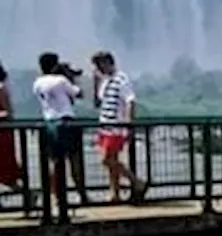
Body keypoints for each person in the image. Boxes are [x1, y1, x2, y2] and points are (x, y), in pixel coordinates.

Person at [33, 52, 90, 207]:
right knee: (75, 161)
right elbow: (79, 94)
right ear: (54, 64)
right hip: (66, 122)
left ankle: (56, 197)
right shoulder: (61, 80)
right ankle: (82, 195)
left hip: (49, 122)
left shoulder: (37, 83)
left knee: (55, 162)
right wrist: (73, 78)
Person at [91, 51, 147, 203]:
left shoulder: (121, 79)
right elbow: (97, 103)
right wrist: (95, 83)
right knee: (112, 162)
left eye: (99, 64)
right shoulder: (105, 81)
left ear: (108, 63)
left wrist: (128, 125)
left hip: (116, 127)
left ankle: (137, 182)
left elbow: (130, 101)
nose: (98, 68)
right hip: (105, 126)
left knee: (106, 160)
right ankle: (115, 194)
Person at [0, 63, 21, 193]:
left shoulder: (1, 88)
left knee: (6, 169)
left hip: (3, 133)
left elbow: (8, 112)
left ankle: (28, 196)